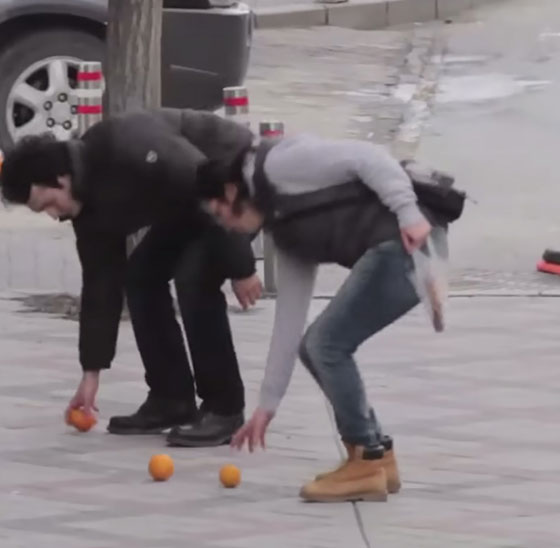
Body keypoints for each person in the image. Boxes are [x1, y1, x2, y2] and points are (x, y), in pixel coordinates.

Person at [197, 131, 464, 502]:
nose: (224, 225)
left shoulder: (279, 164)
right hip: (400, 251)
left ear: (229, 192)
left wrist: (407, 213)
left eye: (218, 213)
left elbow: (368, 157)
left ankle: (365, 460)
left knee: (326, 344)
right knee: (317, 346)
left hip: (408, 242)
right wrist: (267, 405)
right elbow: (288, 322)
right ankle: (376, 457)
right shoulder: (286, 230)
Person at [0, 109, 263, 447]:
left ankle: (224, 408)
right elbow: (100, 283)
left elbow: (206, 180)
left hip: (232, 184)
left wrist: (242, 265)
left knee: (194, 278)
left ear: (61, 179)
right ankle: (171, 398)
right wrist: (90, 373)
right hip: (187, 205)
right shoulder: (86, 206)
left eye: (48, 203)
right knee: (140, 277)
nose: (53, 215)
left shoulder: (129, 147)